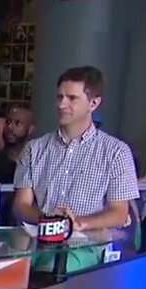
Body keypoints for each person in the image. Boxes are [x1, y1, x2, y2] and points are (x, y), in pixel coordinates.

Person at [12, 66, 138, 233]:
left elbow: (119, 213)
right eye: (59, 97)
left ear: (93, 103)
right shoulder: (33, 149)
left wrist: (78, 223)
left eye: (72, 98)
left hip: (90, 242)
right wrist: (49, 220)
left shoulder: (117, 152)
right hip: (43, 238)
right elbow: (21, 205)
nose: (62, 104)